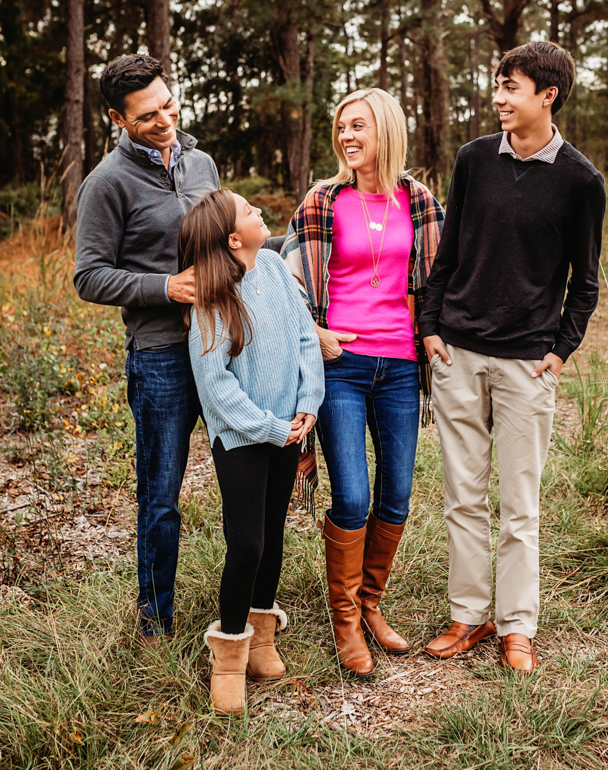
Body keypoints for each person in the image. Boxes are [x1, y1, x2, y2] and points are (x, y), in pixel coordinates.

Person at [419, 41, 606, 672]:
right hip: (459, 353)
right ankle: (468, 616)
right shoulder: (474, 160)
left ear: (547, 96)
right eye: (498, 85)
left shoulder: (581, 180)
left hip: (528, 363)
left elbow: (586, 280)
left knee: (519, 505)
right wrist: (431, 328)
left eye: (511, 86)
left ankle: (517, 627)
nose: (498, 97)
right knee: (462, 497)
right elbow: (447, 256)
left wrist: (559, 351)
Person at [282, 88, 444, 677]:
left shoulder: (420, 201)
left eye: (359, 126)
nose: (348, 137)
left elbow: (438, 283)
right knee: (352, 495)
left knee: (397, 493)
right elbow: (290, 283)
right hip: (340, 365)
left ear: (387, 131)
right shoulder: (321, 201)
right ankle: (344, 618)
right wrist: (316, 333)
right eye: (342, 127)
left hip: (401, 367)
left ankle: (372, 603)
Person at [73, 54, 220, 645]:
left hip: (221, 346)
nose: (165, 119)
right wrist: (165, 287)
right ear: (117, 118)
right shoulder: (106, 183)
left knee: (242, 476)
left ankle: (244, 609)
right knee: (161, 495)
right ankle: (155, 621)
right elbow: (89, 277)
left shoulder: (203, 162)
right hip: (159, 355)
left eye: (168, 105)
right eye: (147, 115)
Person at [179, 189, 324, 715]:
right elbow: (215, 387)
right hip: (243, 437)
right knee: (246, 542)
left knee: (273, 535)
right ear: (233, 238)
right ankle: (229, 657)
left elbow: (307, 340)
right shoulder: (212, 301)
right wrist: (269, 426)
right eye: (249, 211)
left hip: (288, 428)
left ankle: (264, 639)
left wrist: (308, 404)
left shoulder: (275, 270)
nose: (260, 211)